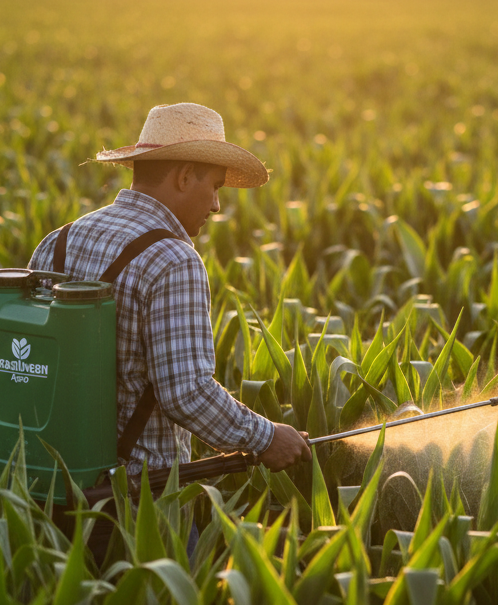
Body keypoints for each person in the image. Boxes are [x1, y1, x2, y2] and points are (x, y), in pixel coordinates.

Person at [28, 102, 311, 477]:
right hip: (136, 490)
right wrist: (268, 438)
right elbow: (186, 393)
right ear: (185, 176)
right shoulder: (173, 260)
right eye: (215, 187)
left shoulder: (58, 241)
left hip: (43, 478)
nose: (216, 205)